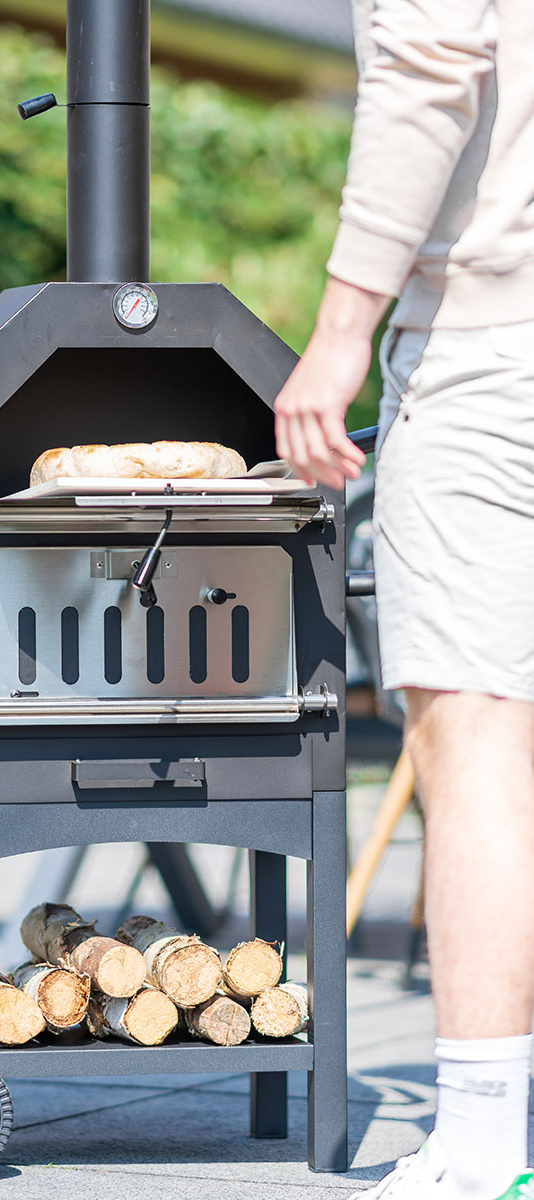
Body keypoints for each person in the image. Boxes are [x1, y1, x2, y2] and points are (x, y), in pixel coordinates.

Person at [273, 1, 534, 1197]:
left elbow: (430, 71)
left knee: (476, 739)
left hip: (496, 353)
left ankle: (481, 1146)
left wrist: (338, 334)